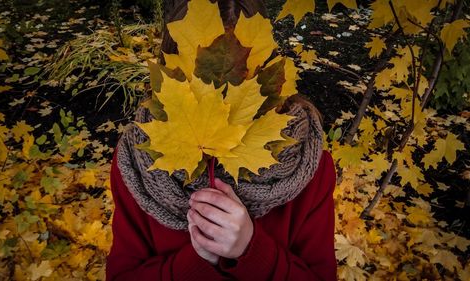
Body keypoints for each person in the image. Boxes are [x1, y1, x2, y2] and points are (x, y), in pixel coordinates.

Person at [106, 0, 337, 280]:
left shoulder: (308, 164)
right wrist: (195, 262)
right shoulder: (137, 162)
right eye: (202, 76)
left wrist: (252, 251)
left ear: (266, 68)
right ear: (173, 69)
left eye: (241, 73)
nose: (221, 93)